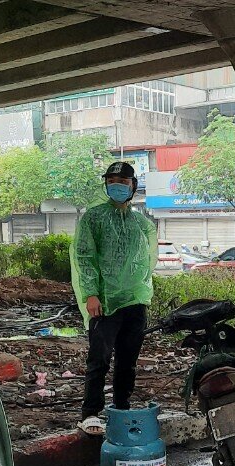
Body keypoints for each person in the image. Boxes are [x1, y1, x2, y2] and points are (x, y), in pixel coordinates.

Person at [69, 161, 157, 436]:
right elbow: (85, 257)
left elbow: (146, 261)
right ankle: (91, 412)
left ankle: (121, 408)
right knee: (99, 359)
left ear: (133, 187)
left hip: (134, 302)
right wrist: (91, 294)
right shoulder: (93, 218)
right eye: (112, 180)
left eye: (123, 181)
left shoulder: (140, 223)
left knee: (127, 361)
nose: (117, 185)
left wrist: (141, 292)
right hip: (104, 302)